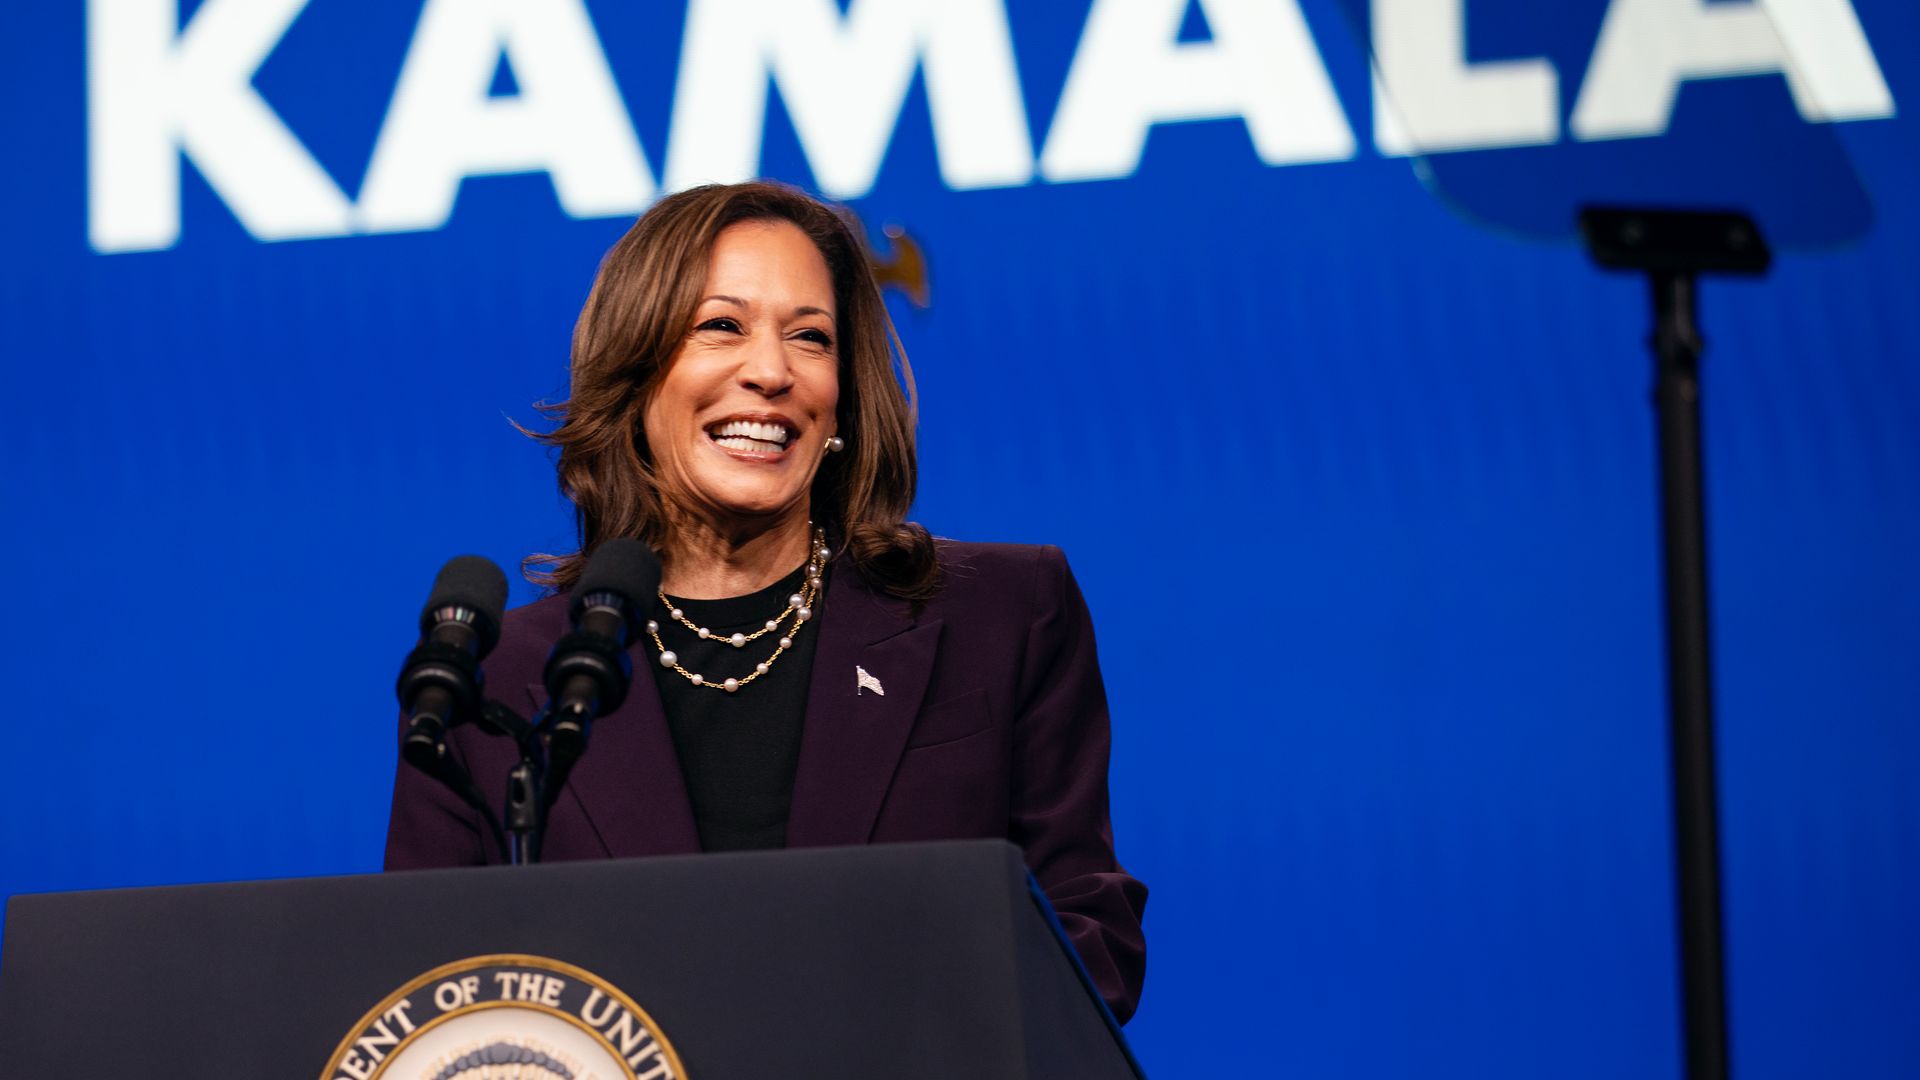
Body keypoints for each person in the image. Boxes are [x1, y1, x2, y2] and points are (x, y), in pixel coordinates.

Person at [384, 181, 1147, 1022]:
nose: (772, 372)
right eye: (721, 325)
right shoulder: (501, 684)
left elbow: (1088, 938)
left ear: (843, 400)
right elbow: (431, 1002)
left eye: (810, 339)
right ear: (637, 377)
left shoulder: (1002, 614)